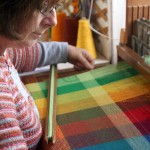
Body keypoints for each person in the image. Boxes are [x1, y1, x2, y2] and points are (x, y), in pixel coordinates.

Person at [0, 0, 94, 149]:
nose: (54, 21)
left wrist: (66, 52)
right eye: (43, 7)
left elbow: (25, 54)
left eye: (54, 7)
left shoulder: (4, 50)